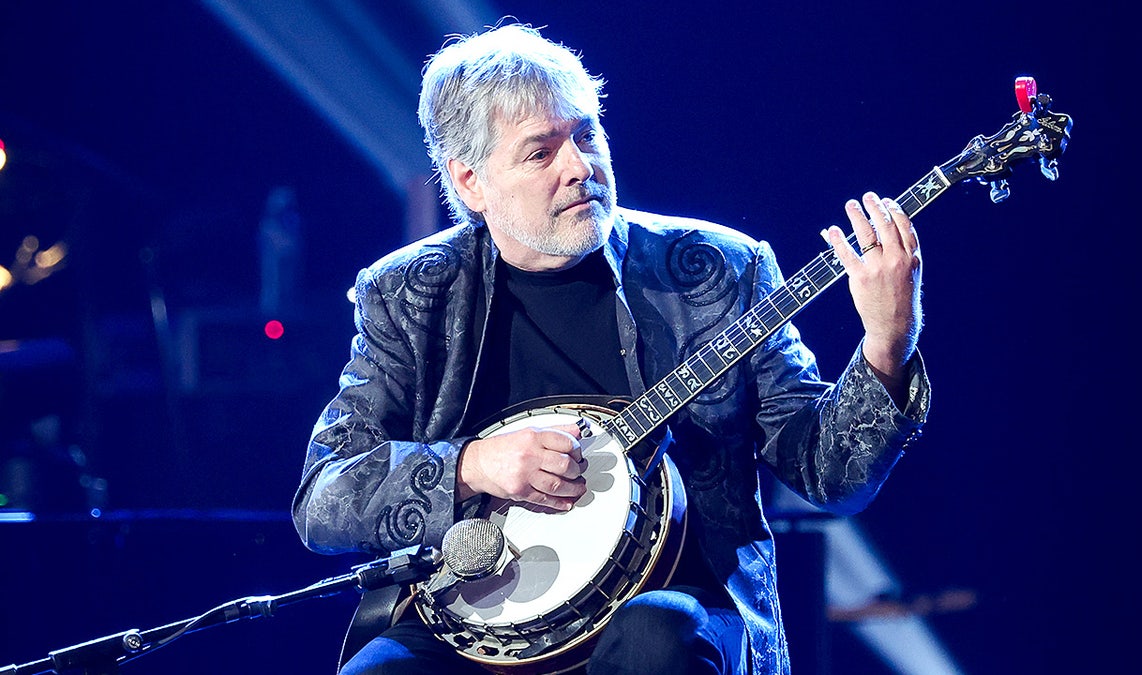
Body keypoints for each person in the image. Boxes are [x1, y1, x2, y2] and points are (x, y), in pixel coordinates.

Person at [293, 23, 929, 675]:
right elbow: (323, 498)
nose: (580, 167)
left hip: (669, 606)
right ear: (470, 183)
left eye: (586, 133)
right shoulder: (409, 293)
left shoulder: (715, 271)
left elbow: (831, 474)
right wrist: (472, 465)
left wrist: (886, 343)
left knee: (659, 635)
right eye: (541, 153)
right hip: (472, 630)